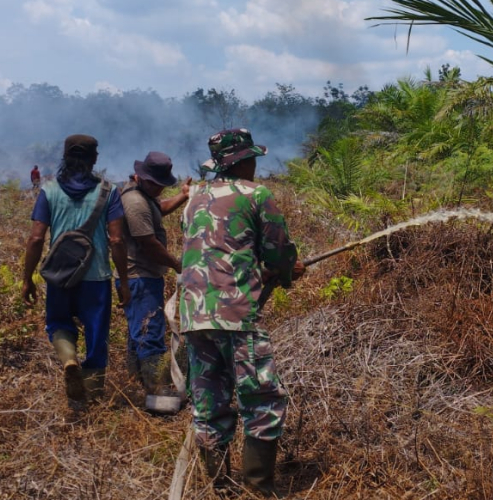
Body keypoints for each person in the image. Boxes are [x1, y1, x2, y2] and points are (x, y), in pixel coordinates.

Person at [179, 128, 305, 495]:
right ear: (244, 161)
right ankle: (257, 489)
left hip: (193, 315)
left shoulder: (194, 197)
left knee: (208, 404)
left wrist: (271, 270)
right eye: (252, 159)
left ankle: (216, 487)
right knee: (262, 399)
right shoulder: (257, 194)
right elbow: (278, 250)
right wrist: (286, 270)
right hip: (236, 315)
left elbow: (212, 248)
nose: (255, 166)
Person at [22, 134, 130, 406]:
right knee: (96, 334)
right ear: (94, 158)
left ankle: (69, 359)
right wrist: (124, 281)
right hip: (96, 277)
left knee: (58, 323)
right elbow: (117, 239)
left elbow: (36, 238)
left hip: (60, 275)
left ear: (65, 157)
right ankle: (92, 398)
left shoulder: (49, 190)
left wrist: (27, 278)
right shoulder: (109, 191)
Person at [117, 151, 191, 407]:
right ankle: (157, 394)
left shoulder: (144, 196)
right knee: (150, 331)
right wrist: (175, 263)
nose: (160, 190)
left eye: (163, 186)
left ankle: (136, 383)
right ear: (141, 177)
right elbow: (148, 244)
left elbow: (159, 209)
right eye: (156, 185)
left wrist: (182, 195)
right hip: (140, 276)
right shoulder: (135, 203)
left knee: (138, 330)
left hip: (143, 276)